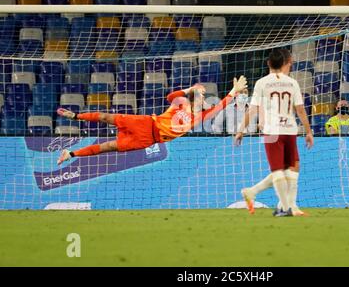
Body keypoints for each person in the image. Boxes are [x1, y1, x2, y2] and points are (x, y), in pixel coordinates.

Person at [56, 76, 248, 164]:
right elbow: (170, 96)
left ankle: (70, 154)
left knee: (108, 146)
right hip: (147, 122)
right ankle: (76, 116)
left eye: (203, 98)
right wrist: (190, 89)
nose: (203, 100)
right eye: (200, 97)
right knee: (107, 117)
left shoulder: (200, 117)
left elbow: (222, 105)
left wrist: (234, 91)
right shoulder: (181, 104)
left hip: (148, 140)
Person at [235, 48, 314, 217]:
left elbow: (252, 109)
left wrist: (241, 130)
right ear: (285, 63)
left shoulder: (262, 83)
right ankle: (288, 207)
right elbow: (300, 110)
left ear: (269, 63)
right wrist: (308, 131)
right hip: (289, 129)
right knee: (289, 168)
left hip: (271, 130)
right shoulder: (292, 82)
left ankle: (277, 202)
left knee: (283, 169)